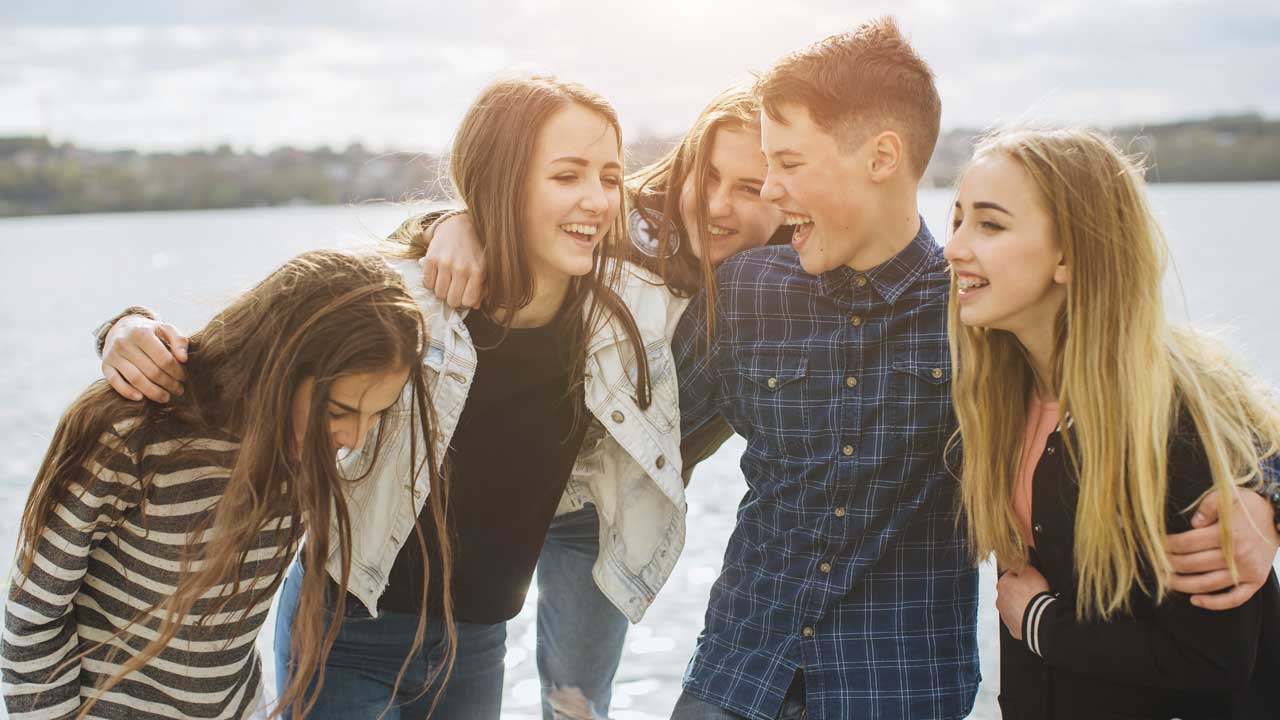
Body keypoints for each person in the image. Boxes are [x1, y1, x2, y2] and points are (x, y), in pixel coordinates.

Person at [671, 18, 1280, 720]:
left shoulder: (981, 321)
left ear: (882, 156)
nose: (770, 190)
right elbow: (643, 434)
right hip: (736, 678)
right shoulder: (749, 292)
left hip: (898, 689)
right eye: (961, 219)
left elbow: (1165, 381)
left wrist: (1260, 493)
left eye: (790, 162)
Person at [93, 75, 675, 720]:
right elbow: (226, 356)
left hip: (478, 642)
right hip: (347, 629)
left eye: (611, 177)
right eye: (566, 176)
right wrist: (124, 328)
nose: (595, 199)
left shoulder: (621, 315)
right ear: (499, 181)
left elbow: (718, 240)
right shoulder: (404, 298)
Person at [409, 82, 785, 716]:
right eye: (708, 175)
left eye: (750, 188)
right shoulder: (617, 222)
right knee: (453, 656)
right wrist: (451, 222)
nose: (719, 205)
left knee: (575, 698)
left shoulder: (786, 289)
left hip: (604, 510)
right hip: (512, 489)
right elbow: (510, 212)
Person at [2, 250, 447, 720]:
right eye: (339, 412)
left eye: (374, 415)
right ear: (281, 363)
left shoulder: (296, 452)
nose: (354, 439)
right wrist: (124, 326)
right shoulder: (131, 434)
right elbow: (34, 620)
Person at [946, 126, 1280, 719]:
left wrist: (1041, 623)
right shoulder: (999, 399)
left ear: (1070, 255)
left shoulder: (1171, 421)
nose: (954, 248)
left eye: (990, 224)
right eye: (958, 221)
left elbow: (1214, 661)